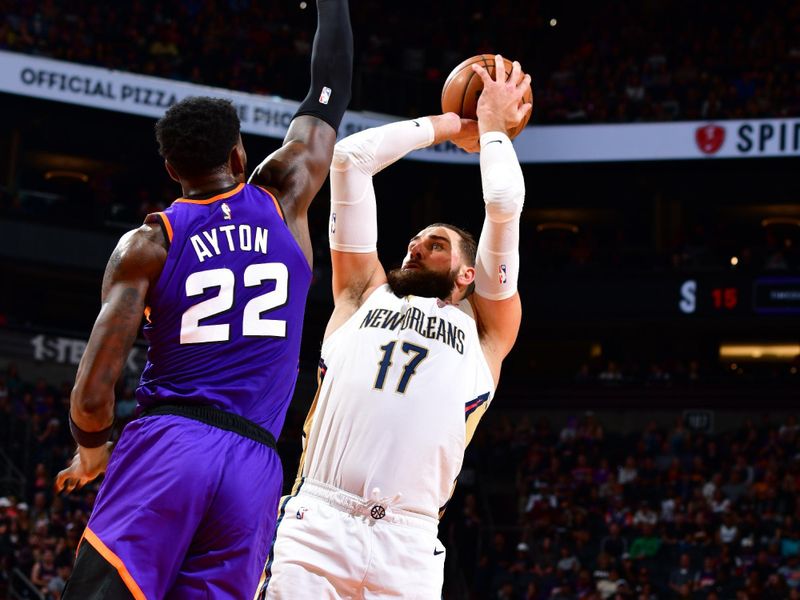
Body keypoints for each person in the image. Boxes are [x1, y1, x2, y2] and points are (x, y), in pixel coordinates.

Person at [53, 1, 353, 598]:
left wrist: (91, 451)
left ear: (170, 167)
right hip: (256, 467)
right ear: (240, 155)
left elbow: (92, 396)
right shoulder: (285, 196)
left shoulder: (149, 243)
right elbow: (328, 91)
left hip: (170, 445)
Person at [261, 55, 530, 599]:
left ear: (467, 273)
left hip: (409, 543)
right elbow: (349, 160)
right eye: (414, 240)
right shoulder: (363, 291)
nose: (415, 245)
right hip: (320, 522)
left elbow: (502, 202)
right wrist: (453, 125)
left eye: (435, 244)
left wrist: (495, 132)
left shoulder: (486, 330)